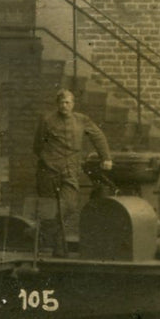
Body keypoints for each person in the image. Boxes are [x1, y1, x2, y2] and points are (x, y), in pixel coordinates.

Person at [32, 89, 113, 257]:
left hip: (70, 169)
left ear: (73, 104)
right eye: (61, 102)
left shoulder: (81, 120)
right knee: (50, 209)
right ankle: (59, 249)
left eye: (68, 102)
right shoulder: (47, 119)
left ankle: (42, 234)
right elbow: (37, 145)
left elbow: (98, 136)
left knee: (69, 206)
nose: (64, 106)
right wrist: (48, 159)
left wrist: (106, 157)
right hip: (49, 170)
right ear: (57, 104)